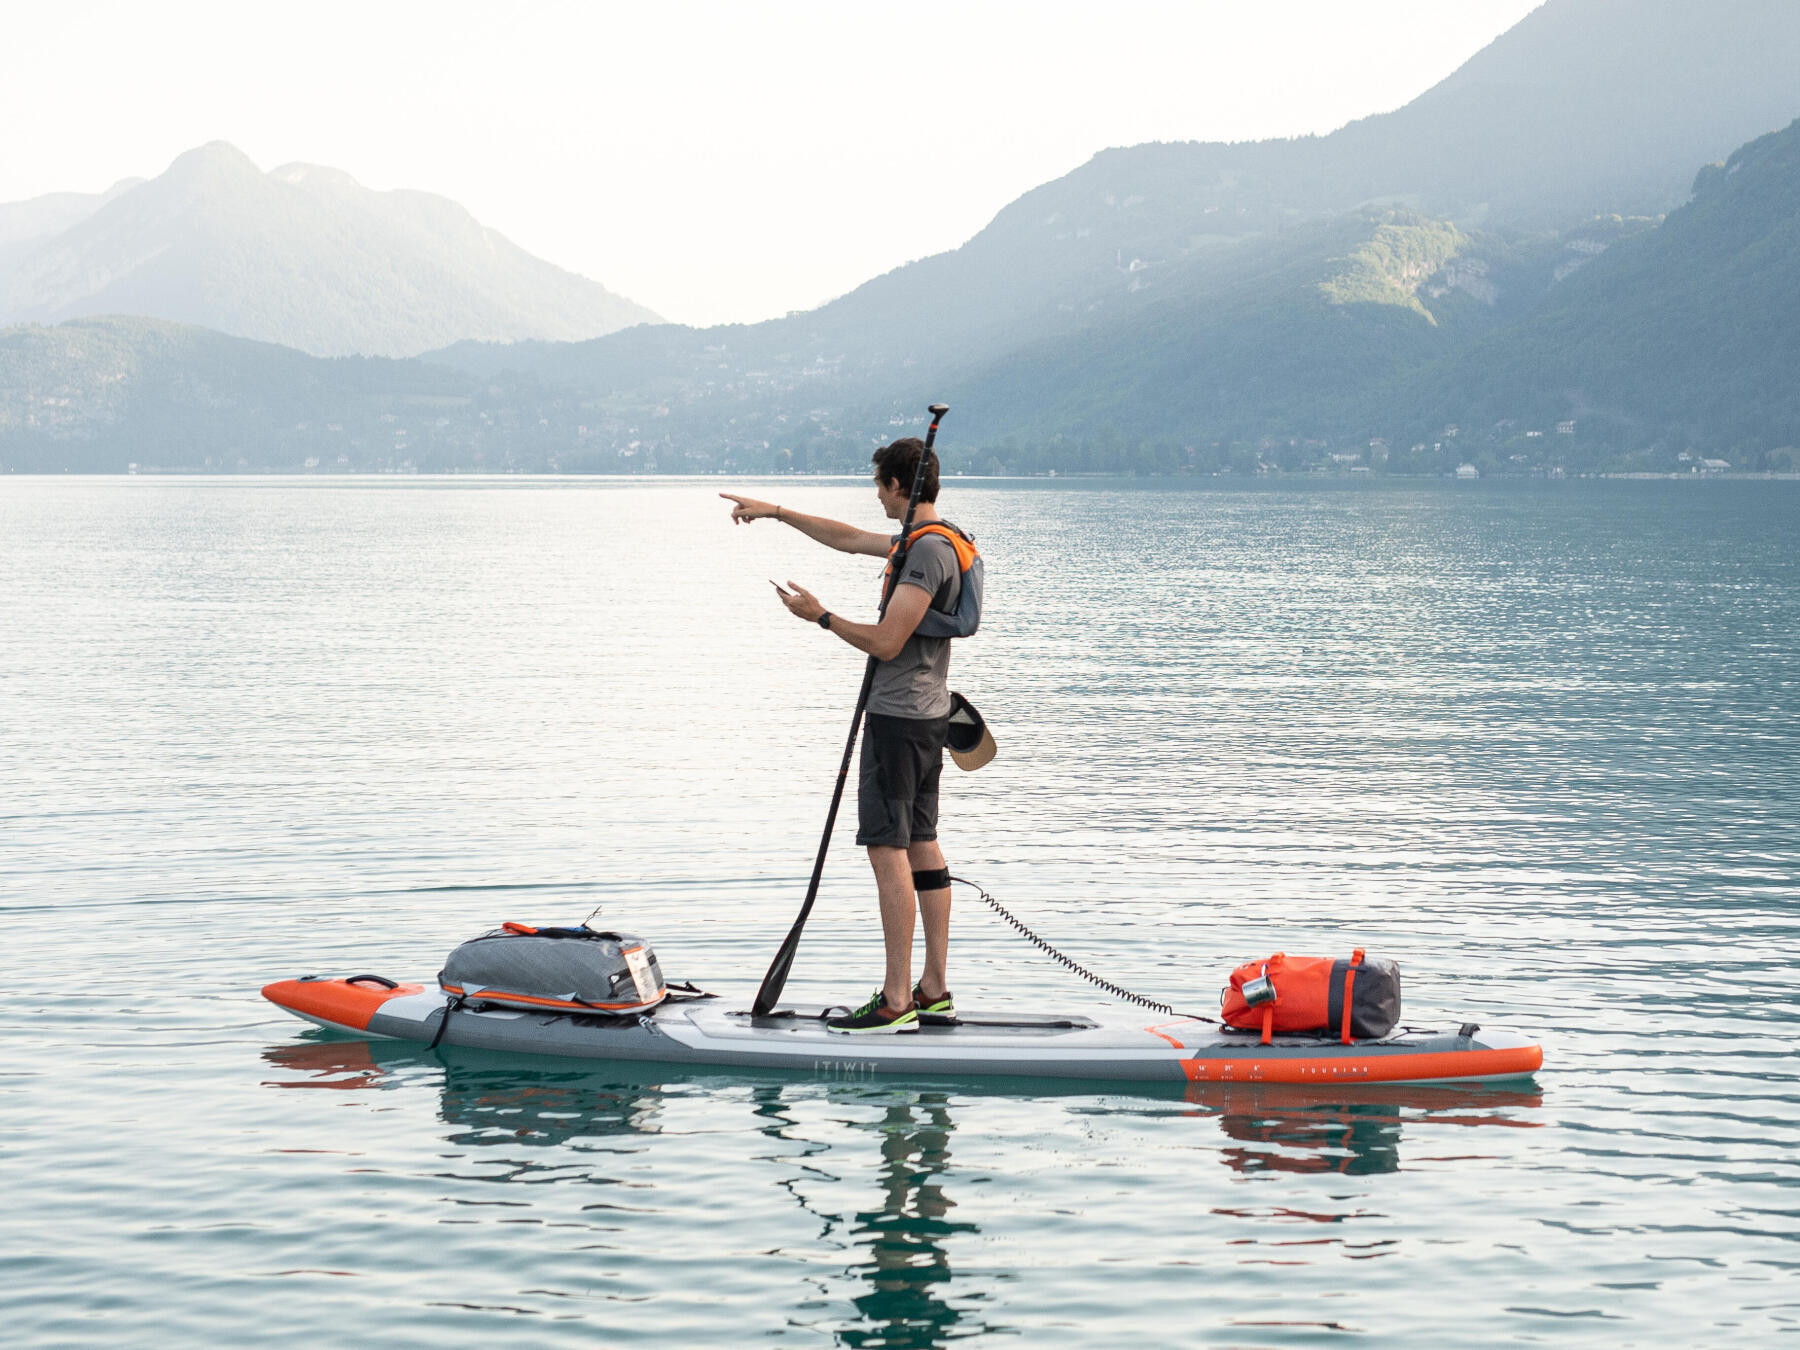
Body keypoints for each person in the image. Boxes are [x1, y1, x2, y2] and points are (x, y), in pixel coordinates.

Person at [721, 438, 966, 1034]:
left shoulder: (925, 554)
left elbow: (887, 642)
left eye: (879, 483)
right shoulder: (938, 541)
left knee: (888, 850)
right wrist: (776, 512)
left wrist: (821, 616)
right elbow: (849, 538)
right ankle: (932, 989)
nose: (875, 493)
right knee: (921, 844)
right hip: (928, 714)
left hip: (900, 720)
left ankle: (896, 1000)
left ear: (898, 488)